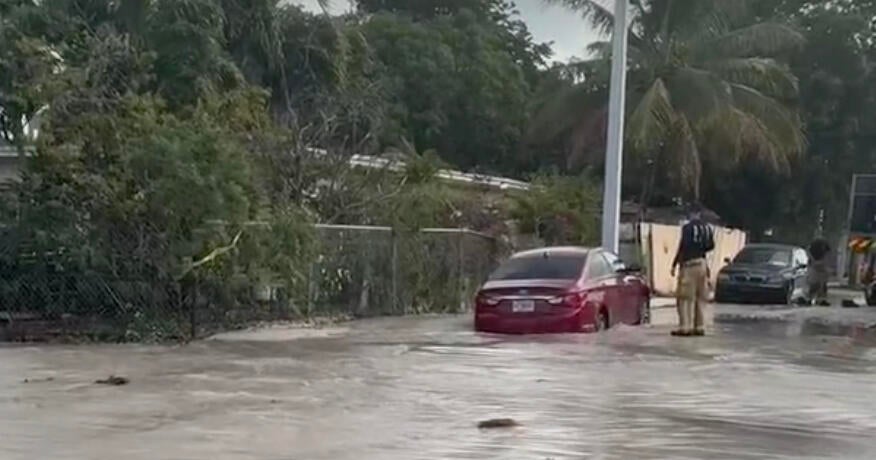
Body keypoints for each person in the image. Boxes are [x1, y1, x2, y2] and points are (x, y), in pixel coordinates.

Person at [671, 203, 715, 337]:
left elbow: (683, 246)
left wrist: (674, 264)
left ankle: (685, 327)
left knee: (685, 298)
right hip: (702, 264)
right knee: (701, 297)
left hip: (689, 265)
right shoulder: (707, 228)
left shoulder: (687, 228)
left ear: (692, 213)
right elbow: (711, 246)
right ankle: (699, 326)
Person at [807, 236, 831, 306]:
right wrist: (813, 261)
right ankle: (810, 298)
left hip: (821, 264)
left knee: (823, 283)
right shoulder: (814, 244)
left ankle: (821, 299)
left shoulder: (825, 244)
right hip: (813, 265)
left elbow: (828, 253)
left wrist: (823, 262)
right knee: (814, 283)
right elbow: (809, 252)